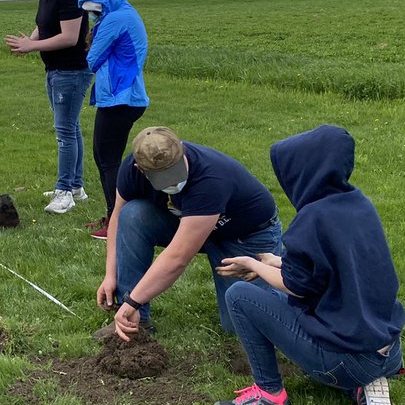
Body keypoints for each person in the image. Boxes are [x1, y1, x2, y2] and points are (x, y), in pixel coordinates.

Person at [213, 125, 405, 405]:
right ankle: (364, 384)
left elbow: (295, 287)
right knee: (276, 298)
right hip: (387, 351)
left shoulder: (311, 219)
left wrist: (253, 264)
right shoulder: (358, 205)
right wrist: (276, 261)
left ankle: (269, 396)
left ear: (304, 172)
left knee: (239, 295)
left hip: (344, 360)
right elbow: (333, 270)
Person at [96, 126, 285, 340]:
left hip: (245, 235)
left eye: (176, 172)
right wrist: (111, 275)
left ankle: (299, 286)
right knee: (132, 215)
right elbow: (117, 218)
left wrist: (133, 300)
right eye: (164, 179)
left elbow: (178, 258)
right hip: (189, 222)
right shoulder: (131, 170)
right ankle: (132, 321)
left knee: (242, 325)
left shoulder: (210, 179)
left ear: (182, 151)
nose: (175, 182)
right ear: (141, 169)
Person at [5, 0, 92, 215]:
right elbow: (43, 25)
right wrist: (30, 41)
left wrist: (33, 46)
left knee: (64, 132)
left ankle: (64, 192)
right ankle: (76, 186)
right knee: (70, 127)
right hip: (55, 70)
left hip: (72, 71)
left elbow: (70, 37)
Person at [77, 0, 149, 239]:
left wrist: (92, 43)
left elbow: (93, 58)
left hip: (121, 97)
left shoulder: (116, 19)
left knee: (108, 161)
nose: (93, 15)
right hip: (122, 96)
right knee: (105, 158)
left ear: (103, 2)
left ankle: (117, 222)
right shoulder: (123, 13)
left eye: (93, 9)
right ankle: (114, 215)